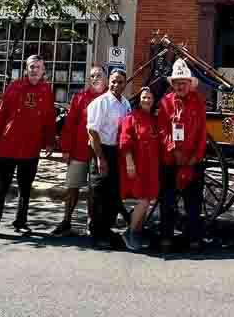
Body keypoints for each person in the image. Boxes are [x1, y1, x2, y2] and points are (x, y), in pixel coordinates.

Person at [0, 55, 56, 241]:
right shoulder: (14, 87)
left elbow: (48, 118)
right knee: (0, 188)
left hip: (30, 149)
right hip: (7, 146)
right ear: (26, 68)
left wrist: (49, 141)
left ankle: (20, 222)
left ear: (43, 70)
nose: (34, 70)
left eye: (38, 67)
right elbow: (0, 114)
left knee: (25, 189)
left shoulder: (47, 91)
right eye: (32, 66)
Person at [51, 65, 107, 237]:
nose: (95, 78)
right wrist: (66, 149)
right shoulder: (80, 98)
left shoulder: (110, 98)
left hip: (100, 153)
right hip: (79, 150)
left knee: (94, 190)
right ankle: (66, 220)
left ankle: (92, 223)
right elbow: (69, 125)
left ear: (105, 77)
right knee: (72, 187)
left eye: (98, 75)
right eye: (92, 76)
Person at [158, 58, 207, 252]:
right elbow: (162, 130)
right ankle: (167, 237)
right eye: (177, 82)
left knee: (193, 204)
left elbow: (203, 132)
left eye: (183, 82)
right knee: (168, 202)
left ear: (189, 84)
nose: (180, 85)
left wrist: (196, 156)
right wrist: (173, 150)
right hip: (171, 161)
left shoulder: (198, 102)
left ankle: (194, 237)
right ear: (173, 85)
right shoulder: (165, 102)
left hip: (192, 160)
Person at [87, 68, 131, 249]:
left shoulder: (125, 104)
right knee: (98, 194)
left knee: (113, 193)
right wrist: (100, 158)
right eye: (113, 81)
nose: (116, 85)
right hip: (101, 149)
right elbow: (92, 132)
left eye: (120, 82)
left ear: (125, 84)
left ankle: (107, 229)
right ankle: (96, 234)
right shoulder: (101, 103)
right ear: (109, 81)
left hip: (116, 151)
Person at [119, 86, 160, 251]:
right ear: (139, 99)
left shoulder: (153, 120)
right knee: (143, 200)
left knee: (148, 199)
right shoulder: (131, 118)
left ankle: (137, 231)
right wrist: (129, 162)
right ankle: (130, 232)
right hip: (137, 164)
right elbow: (125, 141)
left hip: (151, 166)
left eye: (150, 97)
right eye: (144, 97)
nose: (147, 100)